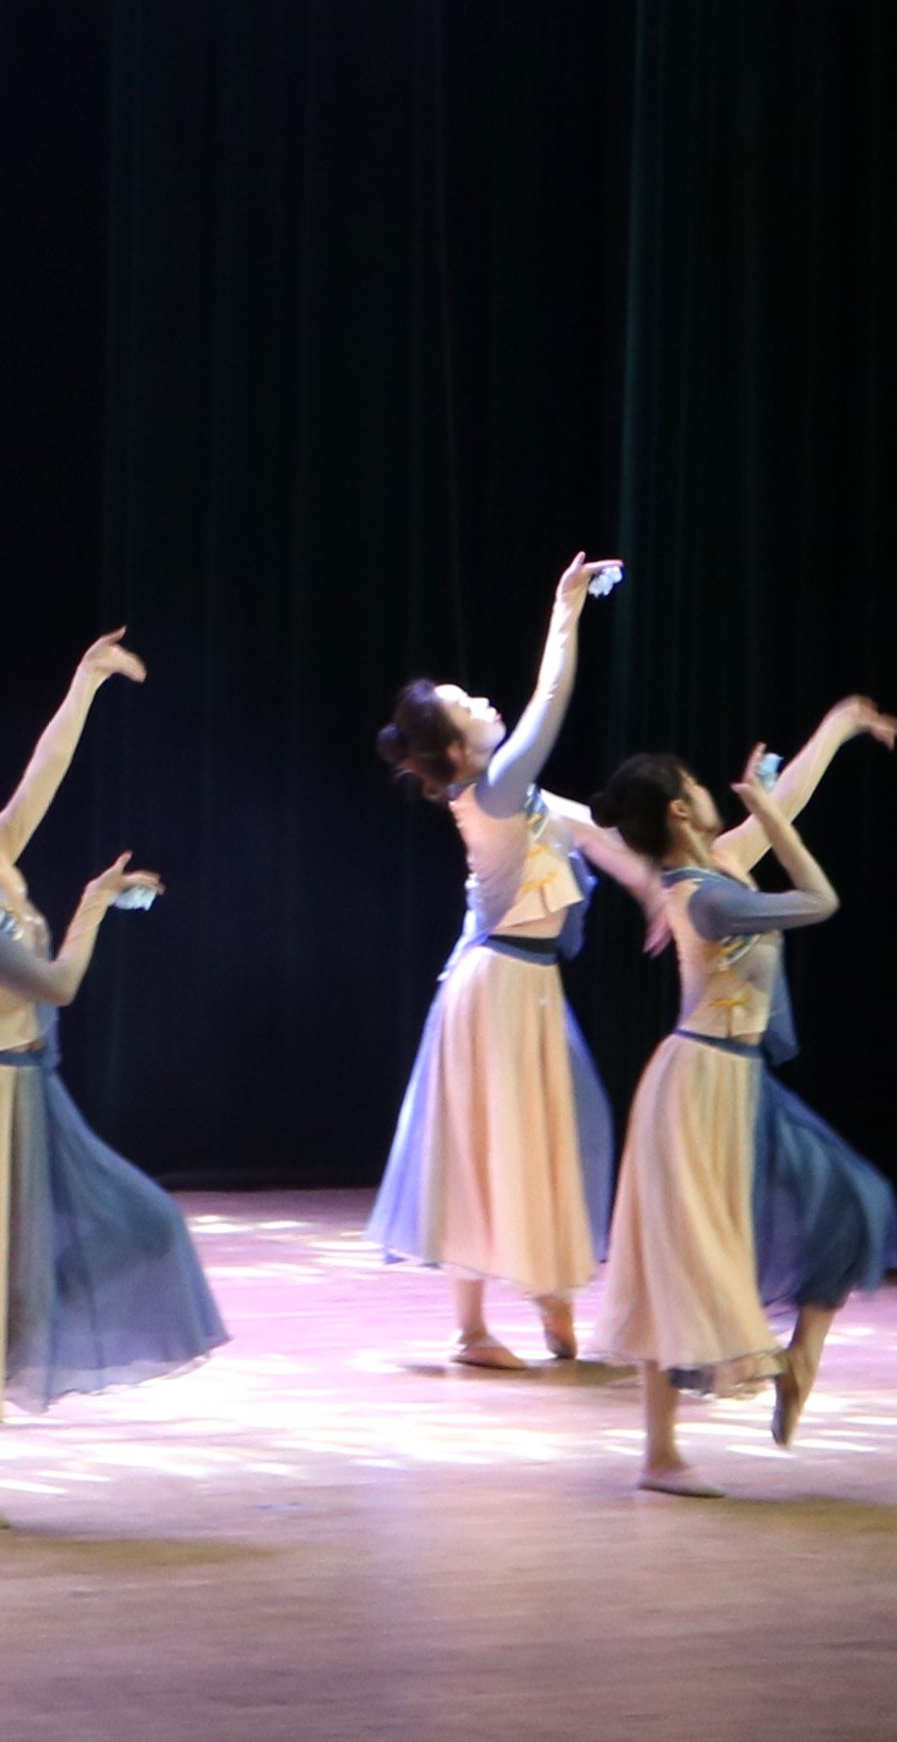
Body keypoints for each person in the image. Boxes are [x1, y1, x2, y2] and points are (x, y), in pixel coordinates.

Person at [0, 633, 225, 1525]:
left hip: (26, 1089)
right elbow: (58, 984)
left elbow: (46, 773)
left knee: (141, 1224)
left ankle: (19, 1331)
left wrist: (85, 682)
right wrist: (94, 905)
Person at [589, 714, 897, 1495]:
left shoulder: (720, 863)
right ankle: (660, 1456)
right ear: (679, 810)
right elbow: (820, 899)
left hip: (738, 1079)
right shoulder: (704, 898)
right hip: (698, 1088)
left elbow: (786, 796)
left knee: (857, 1200)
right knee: (679, 1262)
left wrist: (841, 724)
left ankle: (799, 1361)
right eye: (697, 785)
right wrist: (765, 811)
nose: (710, 790)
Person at [368, 553, 647, 1368]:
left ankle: (529, 1305)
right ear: (457, 751)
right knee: (508, 1142)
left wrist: (661, 891)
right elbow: (549, 704)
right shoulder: (490, 791)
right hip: (500, 986)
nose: (482, 702)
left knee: (520, 1138)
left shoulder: (513, 796)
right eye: (467, 706)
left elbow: (596, 835)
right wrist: (566, 612)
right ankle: (501, 1319)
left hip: (513, 984)